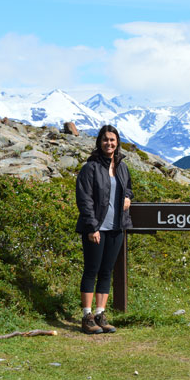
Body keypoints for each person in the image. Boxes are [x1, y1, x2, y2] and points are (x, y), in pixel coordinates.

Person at [75, 125, 133, 334]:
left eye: (112, 140)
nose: (109, 143)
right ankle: (87, 316)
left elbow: (128, 189)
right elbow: (84, 199)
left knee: (106, 271)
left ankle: (100, 314)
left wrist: (128, 197)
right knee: (92, 270)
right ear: (99, 142)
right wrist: (92, 227)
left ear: (117, 142)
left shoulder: (122, 167)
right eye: (105, 140)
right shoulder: (90, 168)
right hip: (96, 228)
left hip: (117, 227)